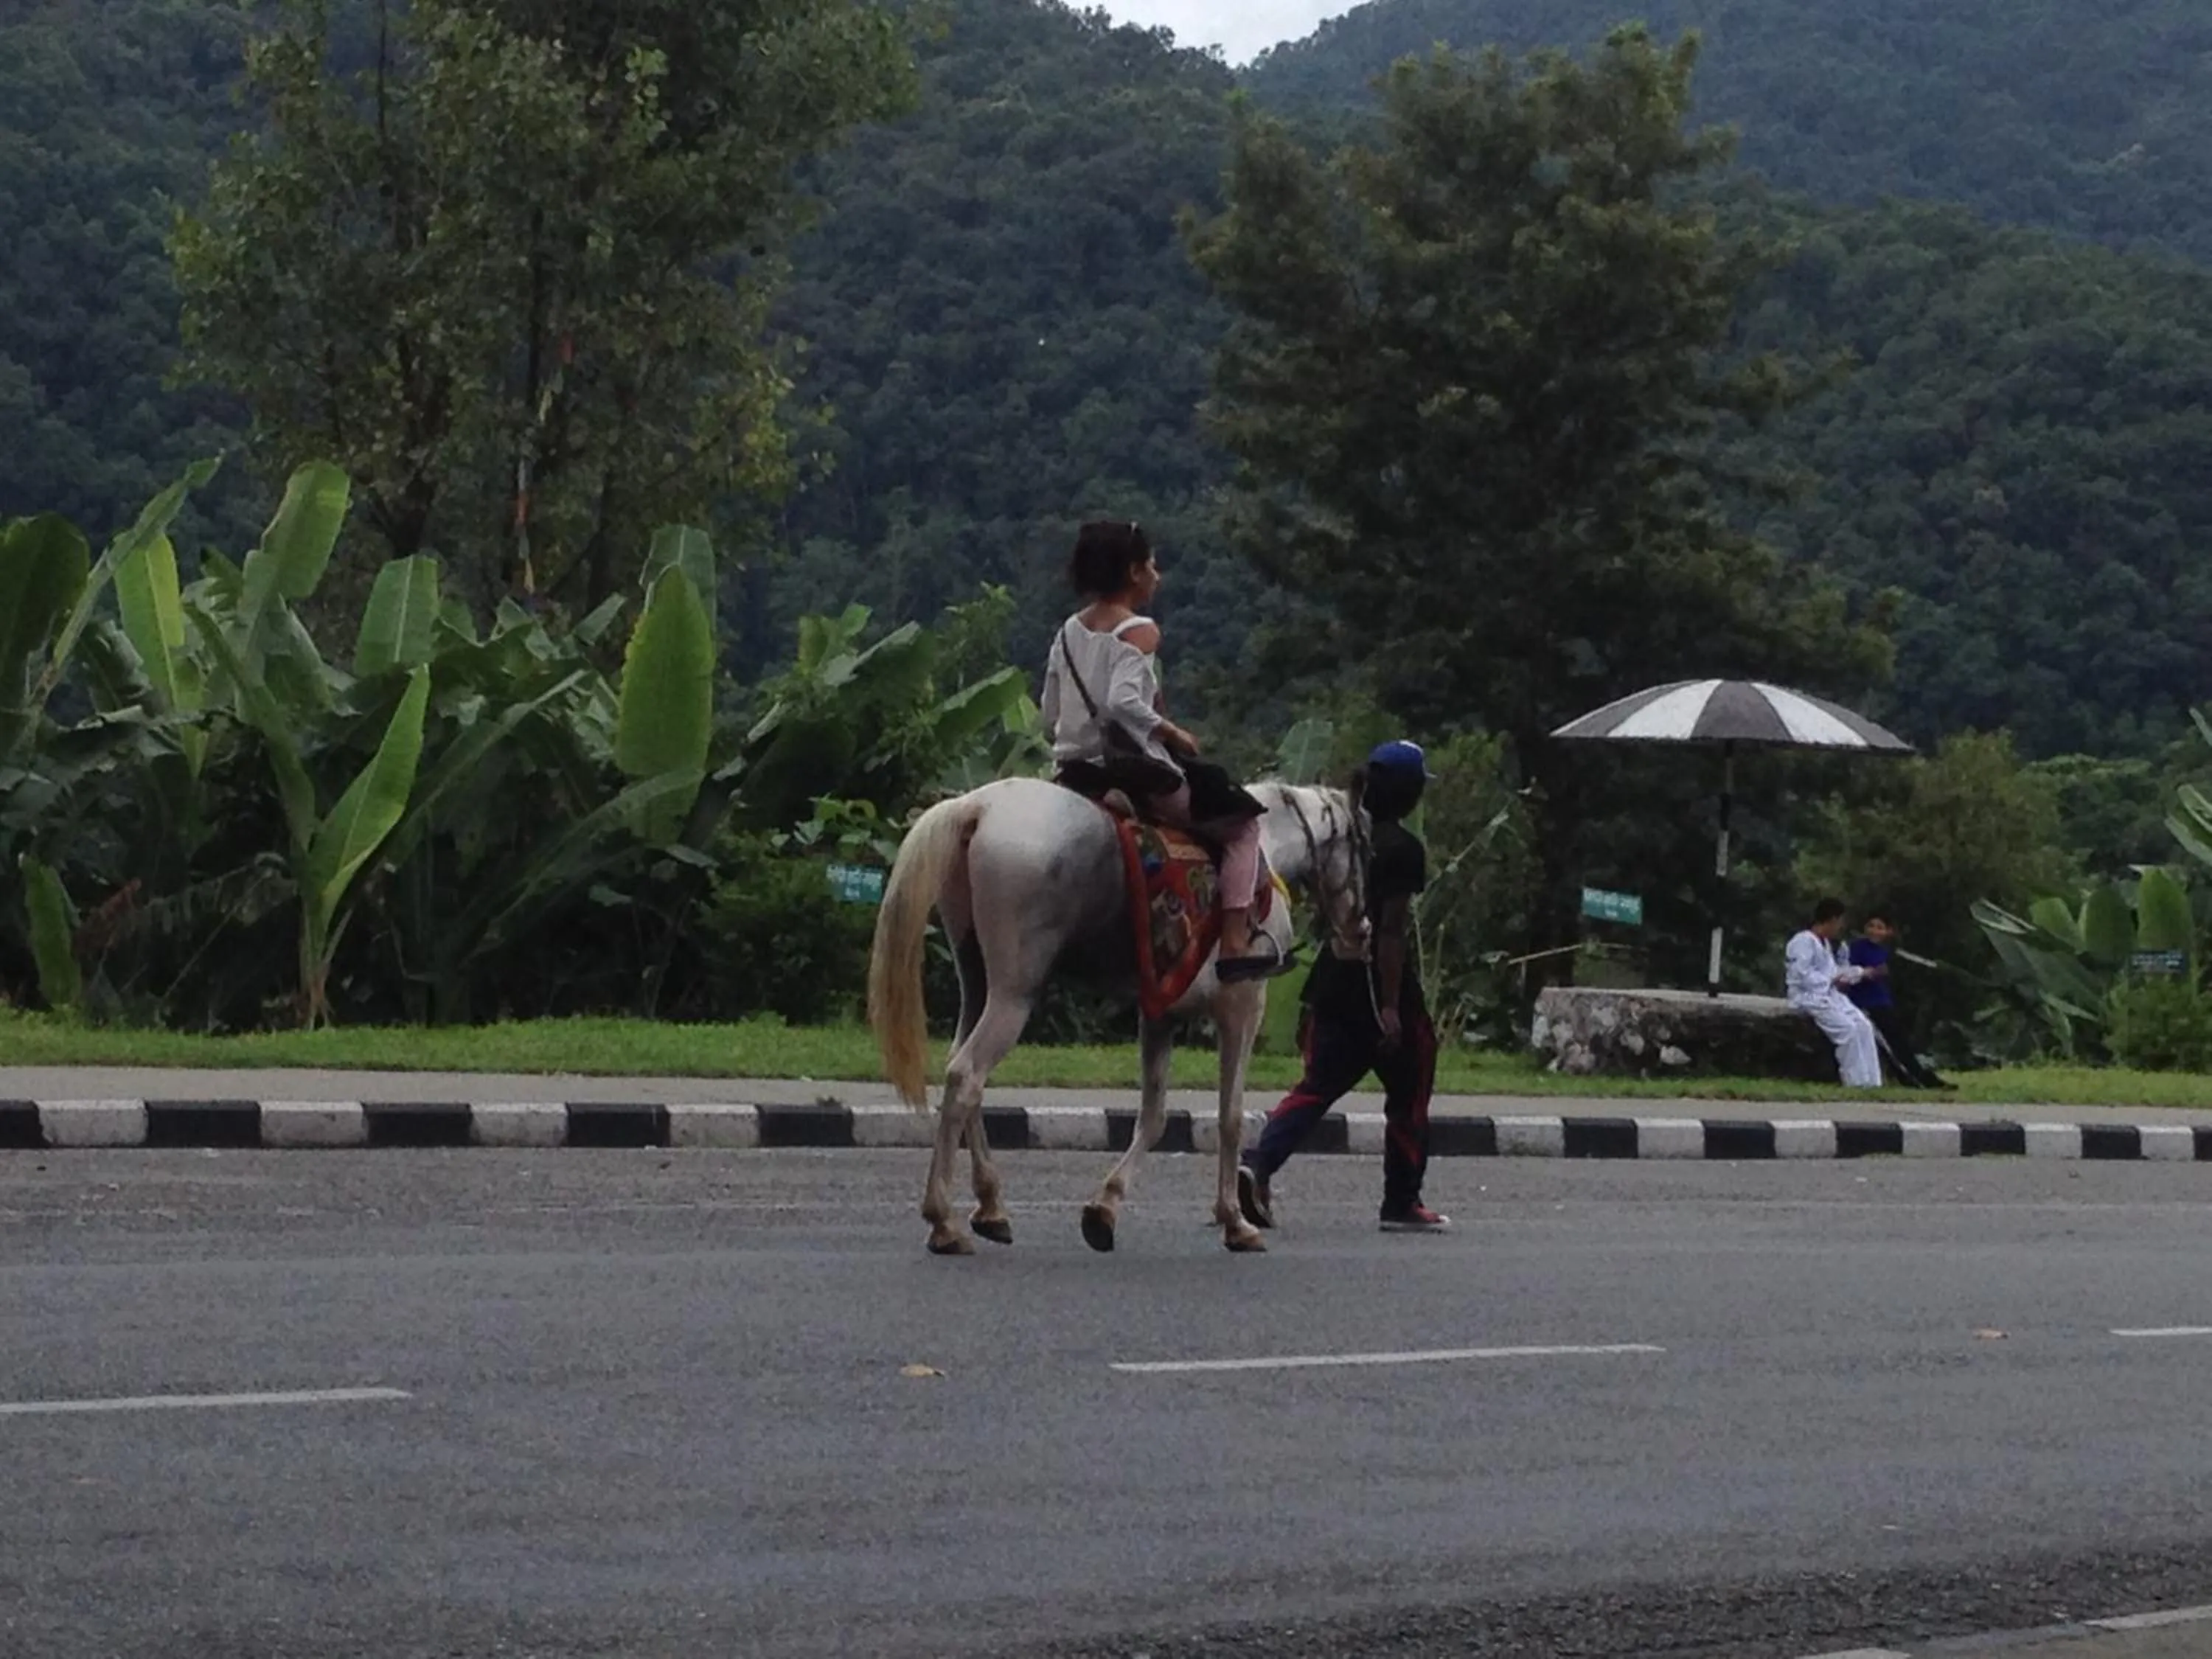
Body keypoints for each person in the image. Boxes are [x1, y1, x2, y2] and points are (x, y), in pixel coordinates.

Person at [1040, 520, 1284, 981]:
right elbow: (1122, 702)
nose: (1158, 574)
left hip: (1072, 771)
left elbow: (1049, 712)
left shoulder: (1069, 631)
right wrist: (1172, 733)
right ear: (1134, 573)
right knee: (1243, 827)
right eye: (1152, 565)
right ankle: (1234, 942)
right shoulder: (1140, 630)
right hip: (1133, 773)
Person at [1237, 740, 1450, 1234]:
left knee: (1316, 1089)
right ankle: (1402, 1201)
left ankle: (1258, 1162)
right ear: (1410, 795)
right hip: (1380, 987)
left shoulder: (1340, 835)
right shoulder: (1403, 850)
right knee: (1411, 1089)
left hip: (1332, 982)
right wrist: (1393, 1007)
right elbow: (1392, 931)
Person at [1845, 911, 1953, 1090]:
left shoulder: (1887, 952)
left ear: (1888, 932)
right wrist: (1869, 973)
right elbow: (1848, 974)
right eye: (1871, 926)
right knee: (1891, 1043)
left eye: (1880, 928)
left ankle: (1919, 1075)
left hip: (1883, 1001)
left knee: (1900, 1040)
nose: (1874, 931)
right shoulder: (1856, 948)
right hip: (1865, 1003)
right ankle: (1913, 1078)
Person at [1785, 897, 1882, 1088]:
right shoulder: (1802, 942)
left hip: (1830, 995)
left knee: (1864, 1026)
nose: (1840, 927)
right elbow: (1800, 975)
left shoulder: (1826, 944)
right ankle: (1856, 1082)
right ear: (1831, 920)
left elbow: (1834, 972)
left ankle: (1872, 1082)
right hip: (1808, 996)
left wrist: (1859, 973)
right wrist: (1829, 981)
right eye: (1839, 922)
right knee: (1847, 1029)